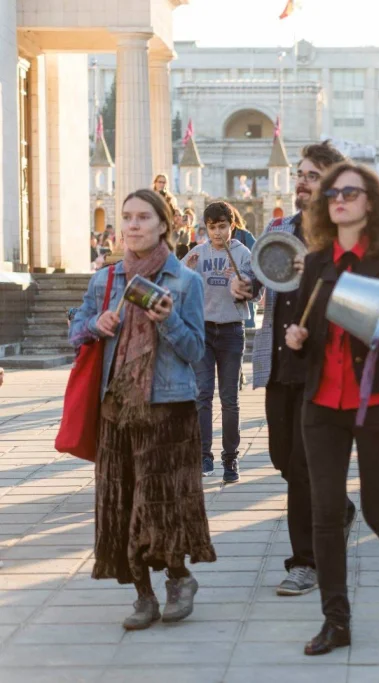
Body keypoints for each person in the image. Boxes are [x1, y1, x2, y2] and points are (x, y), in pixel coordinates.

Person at [284, 161, 379, 655]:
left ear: (371, 201)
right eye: (333, 194)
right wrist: (297, 339)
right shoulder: (316, 261)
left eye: (351, 192)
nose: (341, 200)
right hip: (322, 405)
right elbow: (306, 339)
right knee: (325, 515)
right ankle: (337, 621)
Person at [70, 188, 214, 630]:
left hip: (168, 407)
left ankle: (177, 579)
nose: (132, 226)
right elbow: (76, 329)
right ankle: (142, 595)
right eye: (127, 217)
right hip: (117, 407)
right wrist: (98, 323)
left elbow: (195, 351)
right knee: (122, 501)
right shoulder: (106, 280)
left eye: (143, 218)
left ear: (163, 225)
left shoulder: (185, 281)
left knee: (161, 503)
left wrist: (167, 319)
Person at [251, 140, 357, 597]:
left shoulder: (344, 237)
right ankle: (340, 508)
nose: (302, 182)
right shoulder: (280, 229)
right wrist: (242, 287)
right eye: (301, 173)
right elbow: (261, 281)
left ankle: (305, 561)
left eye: (313, 176)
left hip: (323, 370)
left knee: (303, 465)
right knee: (283, 458)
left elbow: (357, 304)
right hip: (280, 366)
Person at [182, 201, 258, 483]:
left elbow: (255, 293)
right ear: (206, 228)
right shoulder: (197, 253)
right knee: (203, 395)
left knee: (230, 398)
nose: (217, 233)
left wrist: (241, 285)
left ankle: (230, 458)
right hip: (203, 330)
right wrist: (185, 271)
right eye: (212, 228)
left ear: (232, 226)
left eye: (222, 227)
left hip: (231, 331)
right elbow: (176, 286)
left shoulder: (243, 253)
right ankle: (204, 455)